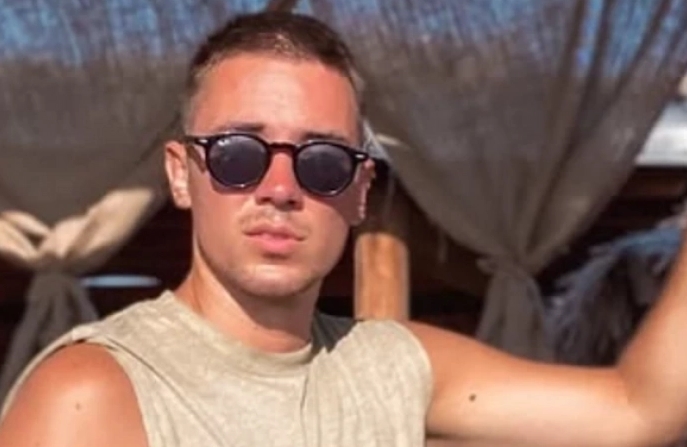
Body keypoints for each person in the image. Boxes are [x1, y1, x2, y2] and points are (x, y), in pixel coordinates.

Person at [1, 10, 687, 447]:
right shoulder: (92, 392)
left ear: (359, 191)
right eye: (238, 154)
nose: (280, 188)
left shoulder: (389, 365)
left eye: (322, 162)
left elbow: (637, 410)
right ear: (182, 174)